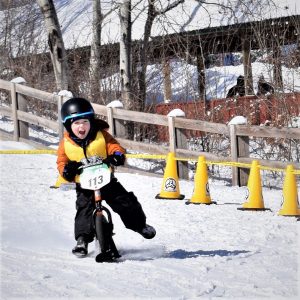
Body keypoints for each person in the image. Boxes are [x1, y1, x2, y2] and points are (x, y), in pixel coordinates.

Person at [57, 97, 156, 257]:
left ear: (91, 121)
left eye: (84, 122)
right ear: (68, 125)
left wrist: (117, 155)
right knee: (84, 210)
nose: (81, 126)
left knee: (126, 202)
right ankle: (82, 240)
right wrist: (67, 170)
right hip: (84, 185)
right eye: (76, 123)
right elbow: (62, 161)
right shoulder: (65, 143)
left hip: (106, 180)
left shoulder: (101, 135)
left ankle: (140, 225)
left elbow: (115, 146)